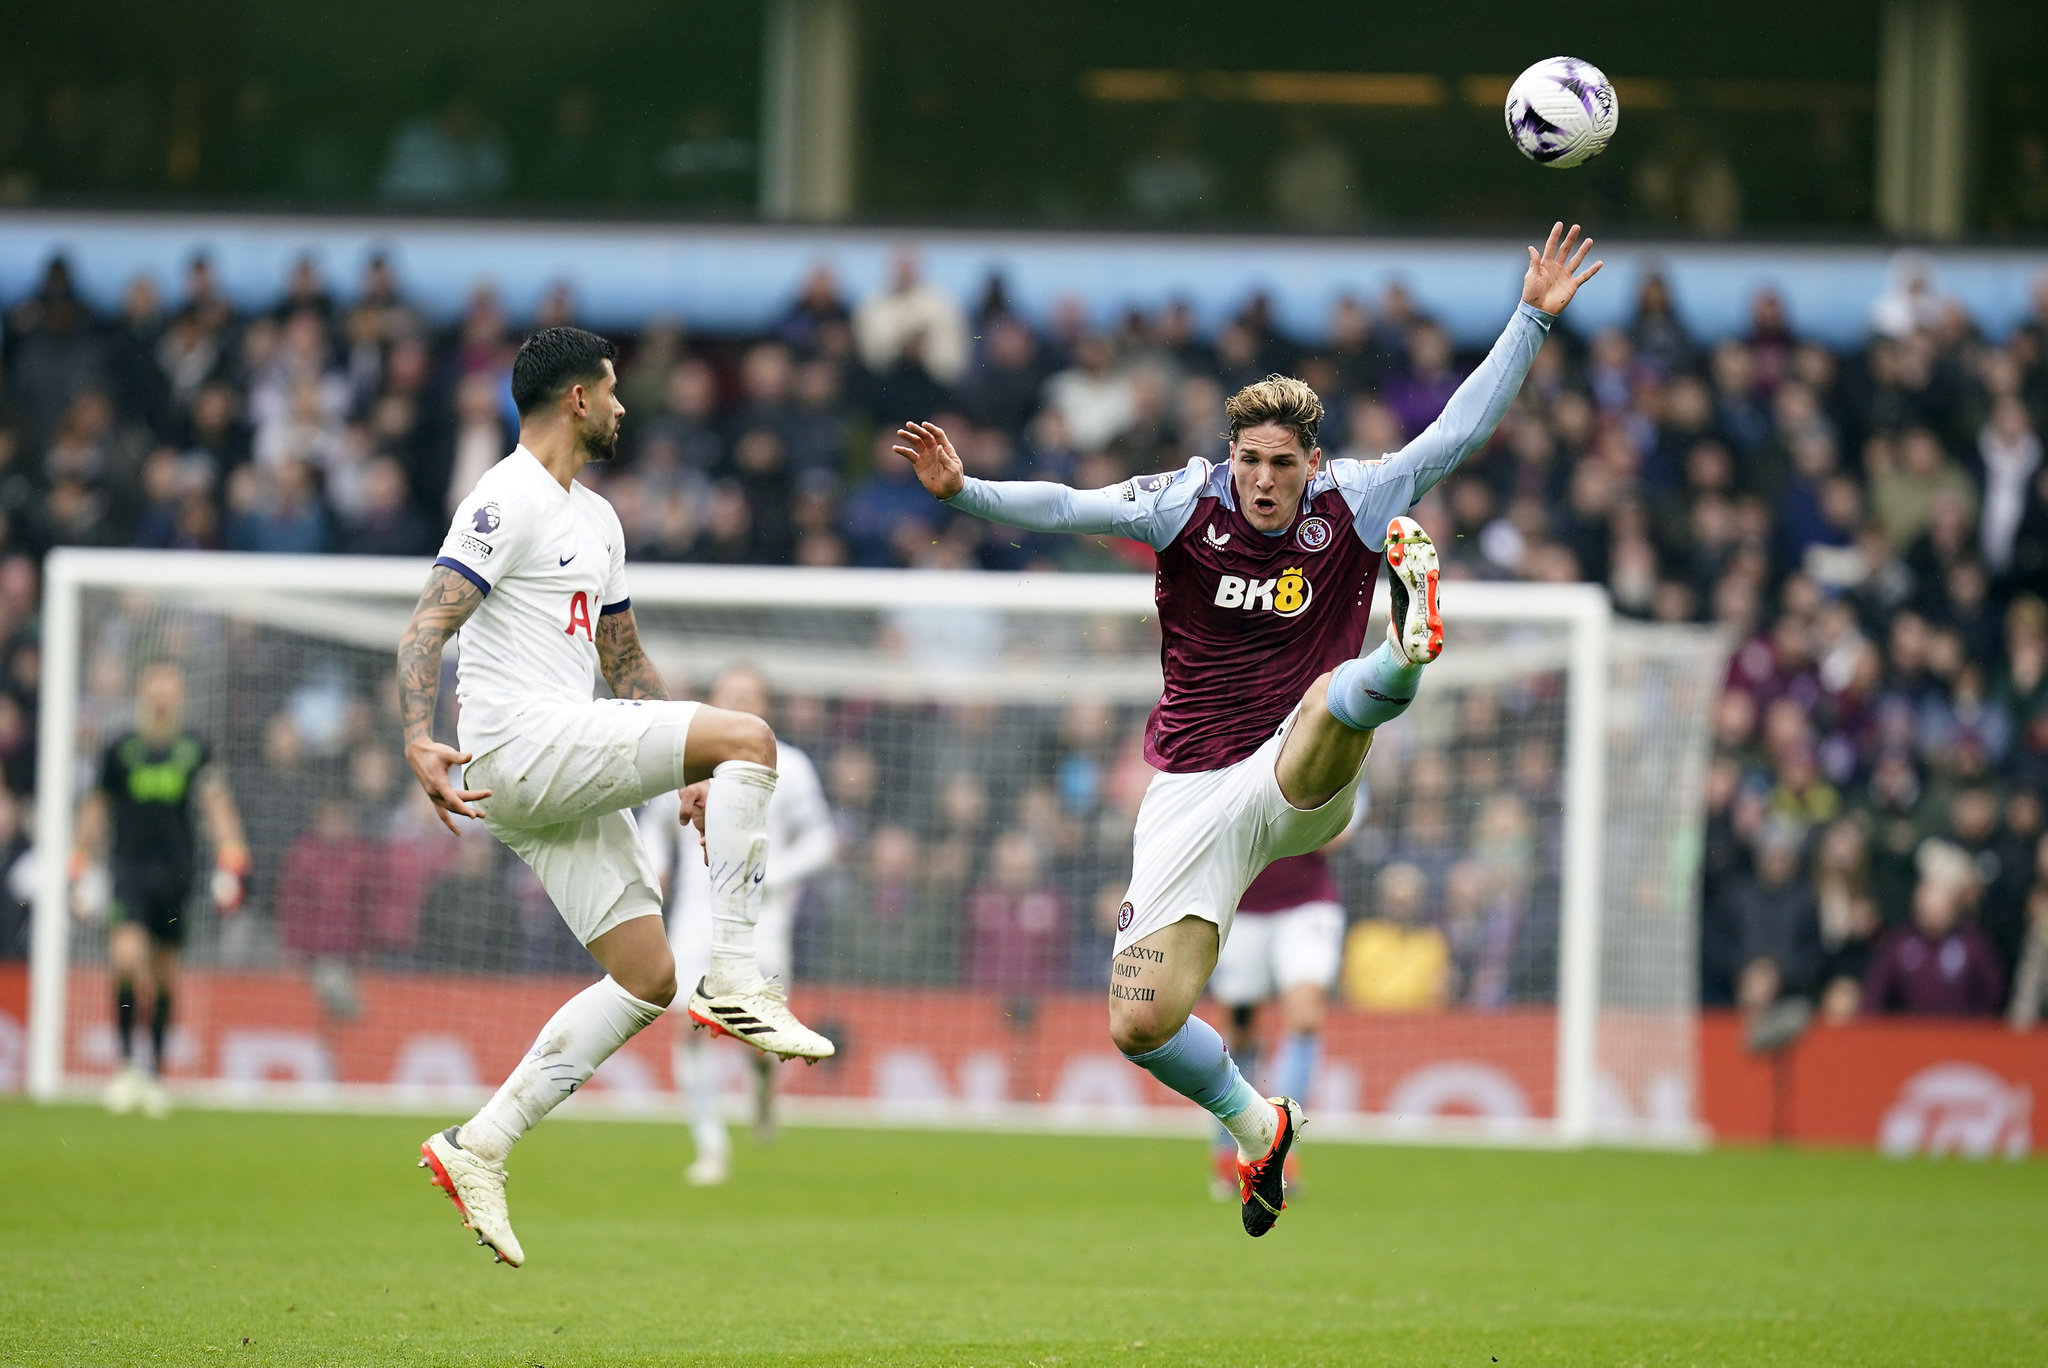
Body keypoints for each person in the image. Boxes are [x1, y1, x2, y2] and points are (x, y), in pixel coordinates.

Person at [894, 224, 1603, 1237]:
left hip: (1299, 773)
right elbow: (1065, 507)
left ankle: (1403, 649)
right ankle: (1256, 1122)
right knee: (1139, 1024)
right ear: (1229, 456)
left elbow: (1458, 432)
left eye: (1280, 462)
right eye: (1249, 460)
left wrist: (1529, 317)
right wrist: (965, 491)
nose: (1262, 479)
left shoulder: (1353, 499)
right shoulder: (1184, 503)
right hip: (1187, 788)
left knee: (1323, 703)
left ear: (1311, 460)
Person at [398, 326, 831, 1268]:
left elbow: (624, 662)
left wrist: (685, 767)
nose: (628, 404)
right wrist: (414, 735)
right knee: (751, 736)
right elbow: (428, 621)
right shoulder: (505, 496)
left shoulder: (597, 520)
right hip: (519, 742)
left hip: (555, 762)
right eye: (615, 388)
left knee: (645, 979)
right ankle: (738, 977)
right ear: (578, 400)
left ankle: (480, 1146)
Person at [643, 663, 838, 1187]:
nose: (741, 703)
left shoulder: (790, 766)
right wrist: (654, 864)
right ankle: (711, 1147)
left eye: (750, 695)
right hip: (694, 919)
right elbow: (657, 825)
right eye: (731, 695)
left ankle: (763, 1089)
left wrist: (773, 878)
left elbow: (822, 840)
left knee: (759, 1040)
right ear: (714, 701)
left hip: (762, 922)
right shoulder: (685, 760)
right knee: (689, 1027)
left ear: (765, 705)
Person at [72, 660, 249, 1118]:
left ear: (181, 693)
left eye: (171, 683)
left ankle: (153, 1074)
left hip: (176, 877)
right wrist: (79, 863)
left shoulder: (195, 750)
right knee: (127, 958)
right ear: (143, 690)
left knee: (166, 974)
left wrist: (232, 857)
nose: (162, 692)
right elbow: (96, 807)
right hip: (128, 873)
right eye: (155, 683)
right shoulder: (119, 749)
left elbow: (216, 806)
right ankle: (126, 1066)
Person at [1202, 793, 1362, 1201]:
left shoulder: (1319, 739)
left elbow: (1339, 829)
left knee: (1305, 1018)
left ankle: (1280, 1150)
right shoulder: (1236, 745)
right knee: (1240, 1034)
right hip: (1241, 904)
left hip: (1306, 903)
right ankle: (1229, 1149)